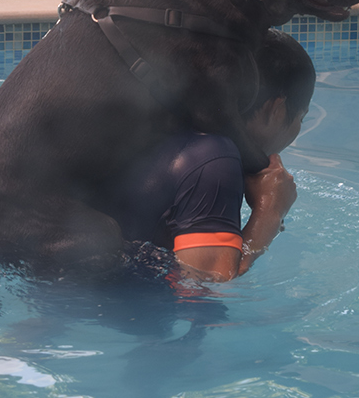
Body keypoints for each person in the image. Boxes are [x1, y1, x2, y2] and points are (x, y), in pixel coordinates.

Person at [99, 29, 316, 282]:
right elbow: (207, 288)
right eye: (302, 117)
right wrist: (269, 213)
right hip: (117, 308)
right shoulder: (214, 158)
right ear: (276, 109)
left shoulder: (164, 122)